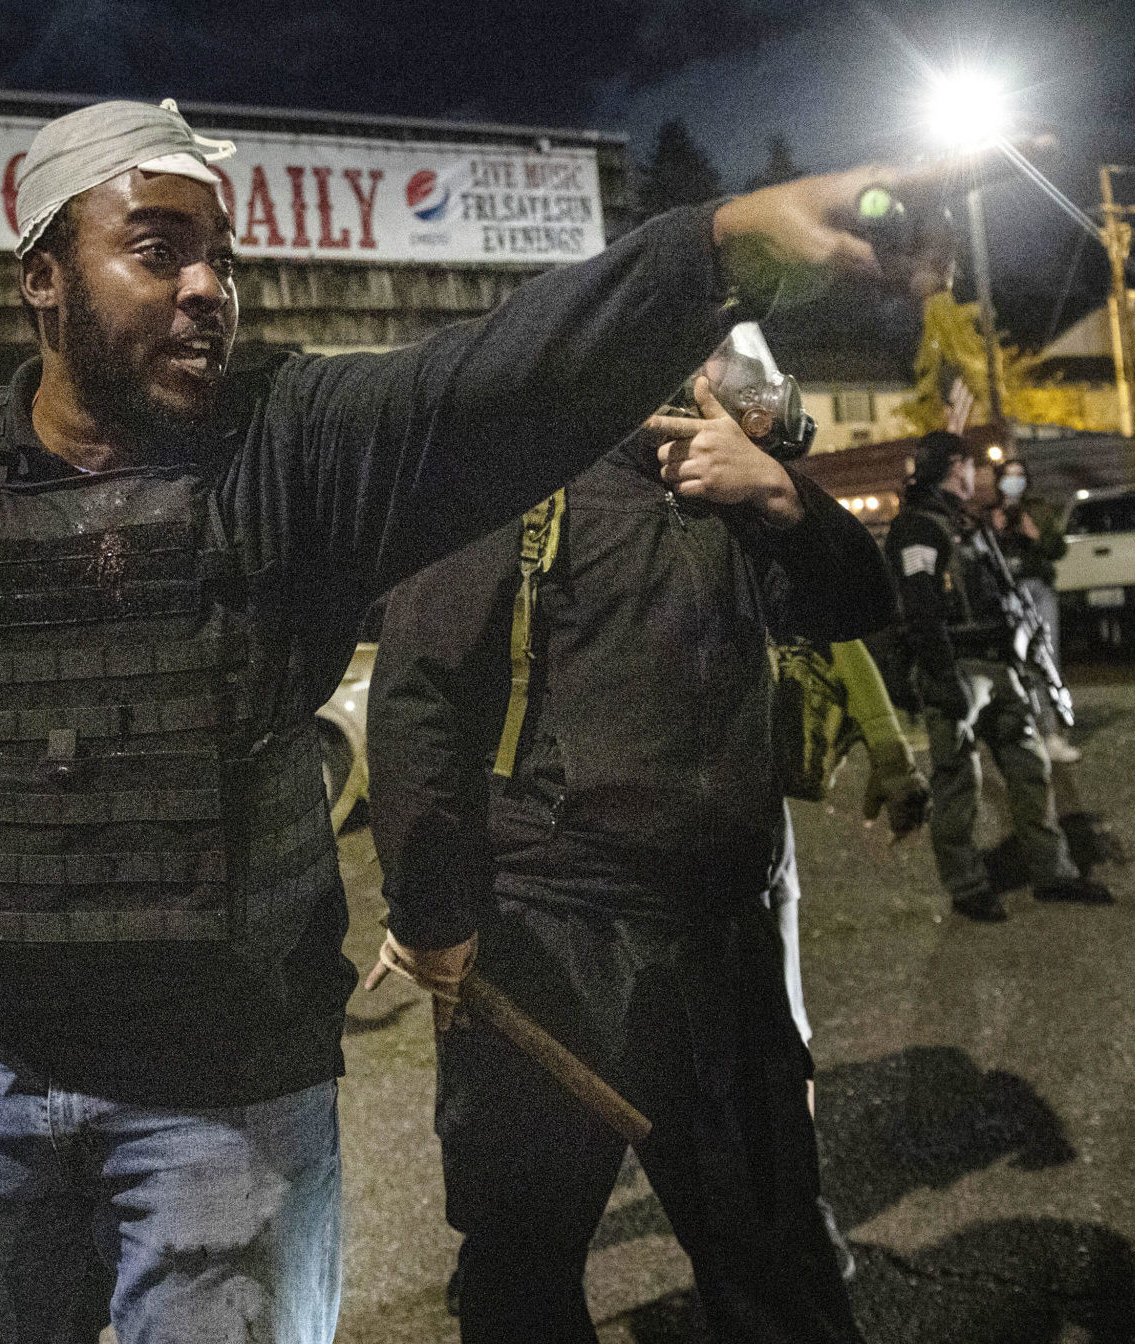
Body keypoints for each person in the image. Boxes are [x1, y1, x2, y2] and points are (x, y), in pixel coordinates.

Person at [0, 96, 948, 1344]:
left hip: (217, 1092)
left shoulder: (288, 446)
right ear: (40, 279)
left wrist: (721, 246)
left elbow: (499, 376)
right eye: (155, 249)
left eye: (220, 256)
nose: (205, 287)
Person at [368, 320, 897, 1341]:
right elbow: (417, 699)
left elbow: (860, 603)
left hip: (721, 940)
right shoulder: (518, 486)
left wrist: (784, 496)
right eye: (741, 378)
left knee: (771, 1256)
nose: (762, 401)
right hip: (552, 940)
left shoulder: (739, 497)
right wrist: (433, 914)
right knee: (523, 1259)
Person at [888, 432, 1112, 923]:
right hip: (960, 667)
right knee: (957, 783)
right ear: (955, 466)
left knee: (1030, 773)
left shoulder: (967, 522)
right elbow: (920, 611)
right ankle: (967, 887)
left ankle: (1052, 873)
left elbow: (1007, 589)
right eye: (973, 466)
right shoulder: (919, 527)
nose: (982, 476)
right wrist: (942, 677)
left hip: (1002, 664)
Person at [992, 457, 1078, 761]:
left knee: (1046, 661)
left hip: (1037, 589)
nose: (1013, 481)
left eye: (1019, 475)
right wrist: (994, 534)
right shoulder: (990, 513)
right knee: (1014, 667)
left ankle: (1052, 734)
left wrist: (1036, 535)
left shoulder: (1038, 508)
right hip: (1006, 596)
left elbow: (1059, 549)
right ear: (998, 480)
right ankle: (1022, 734)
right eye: (1007, 476)